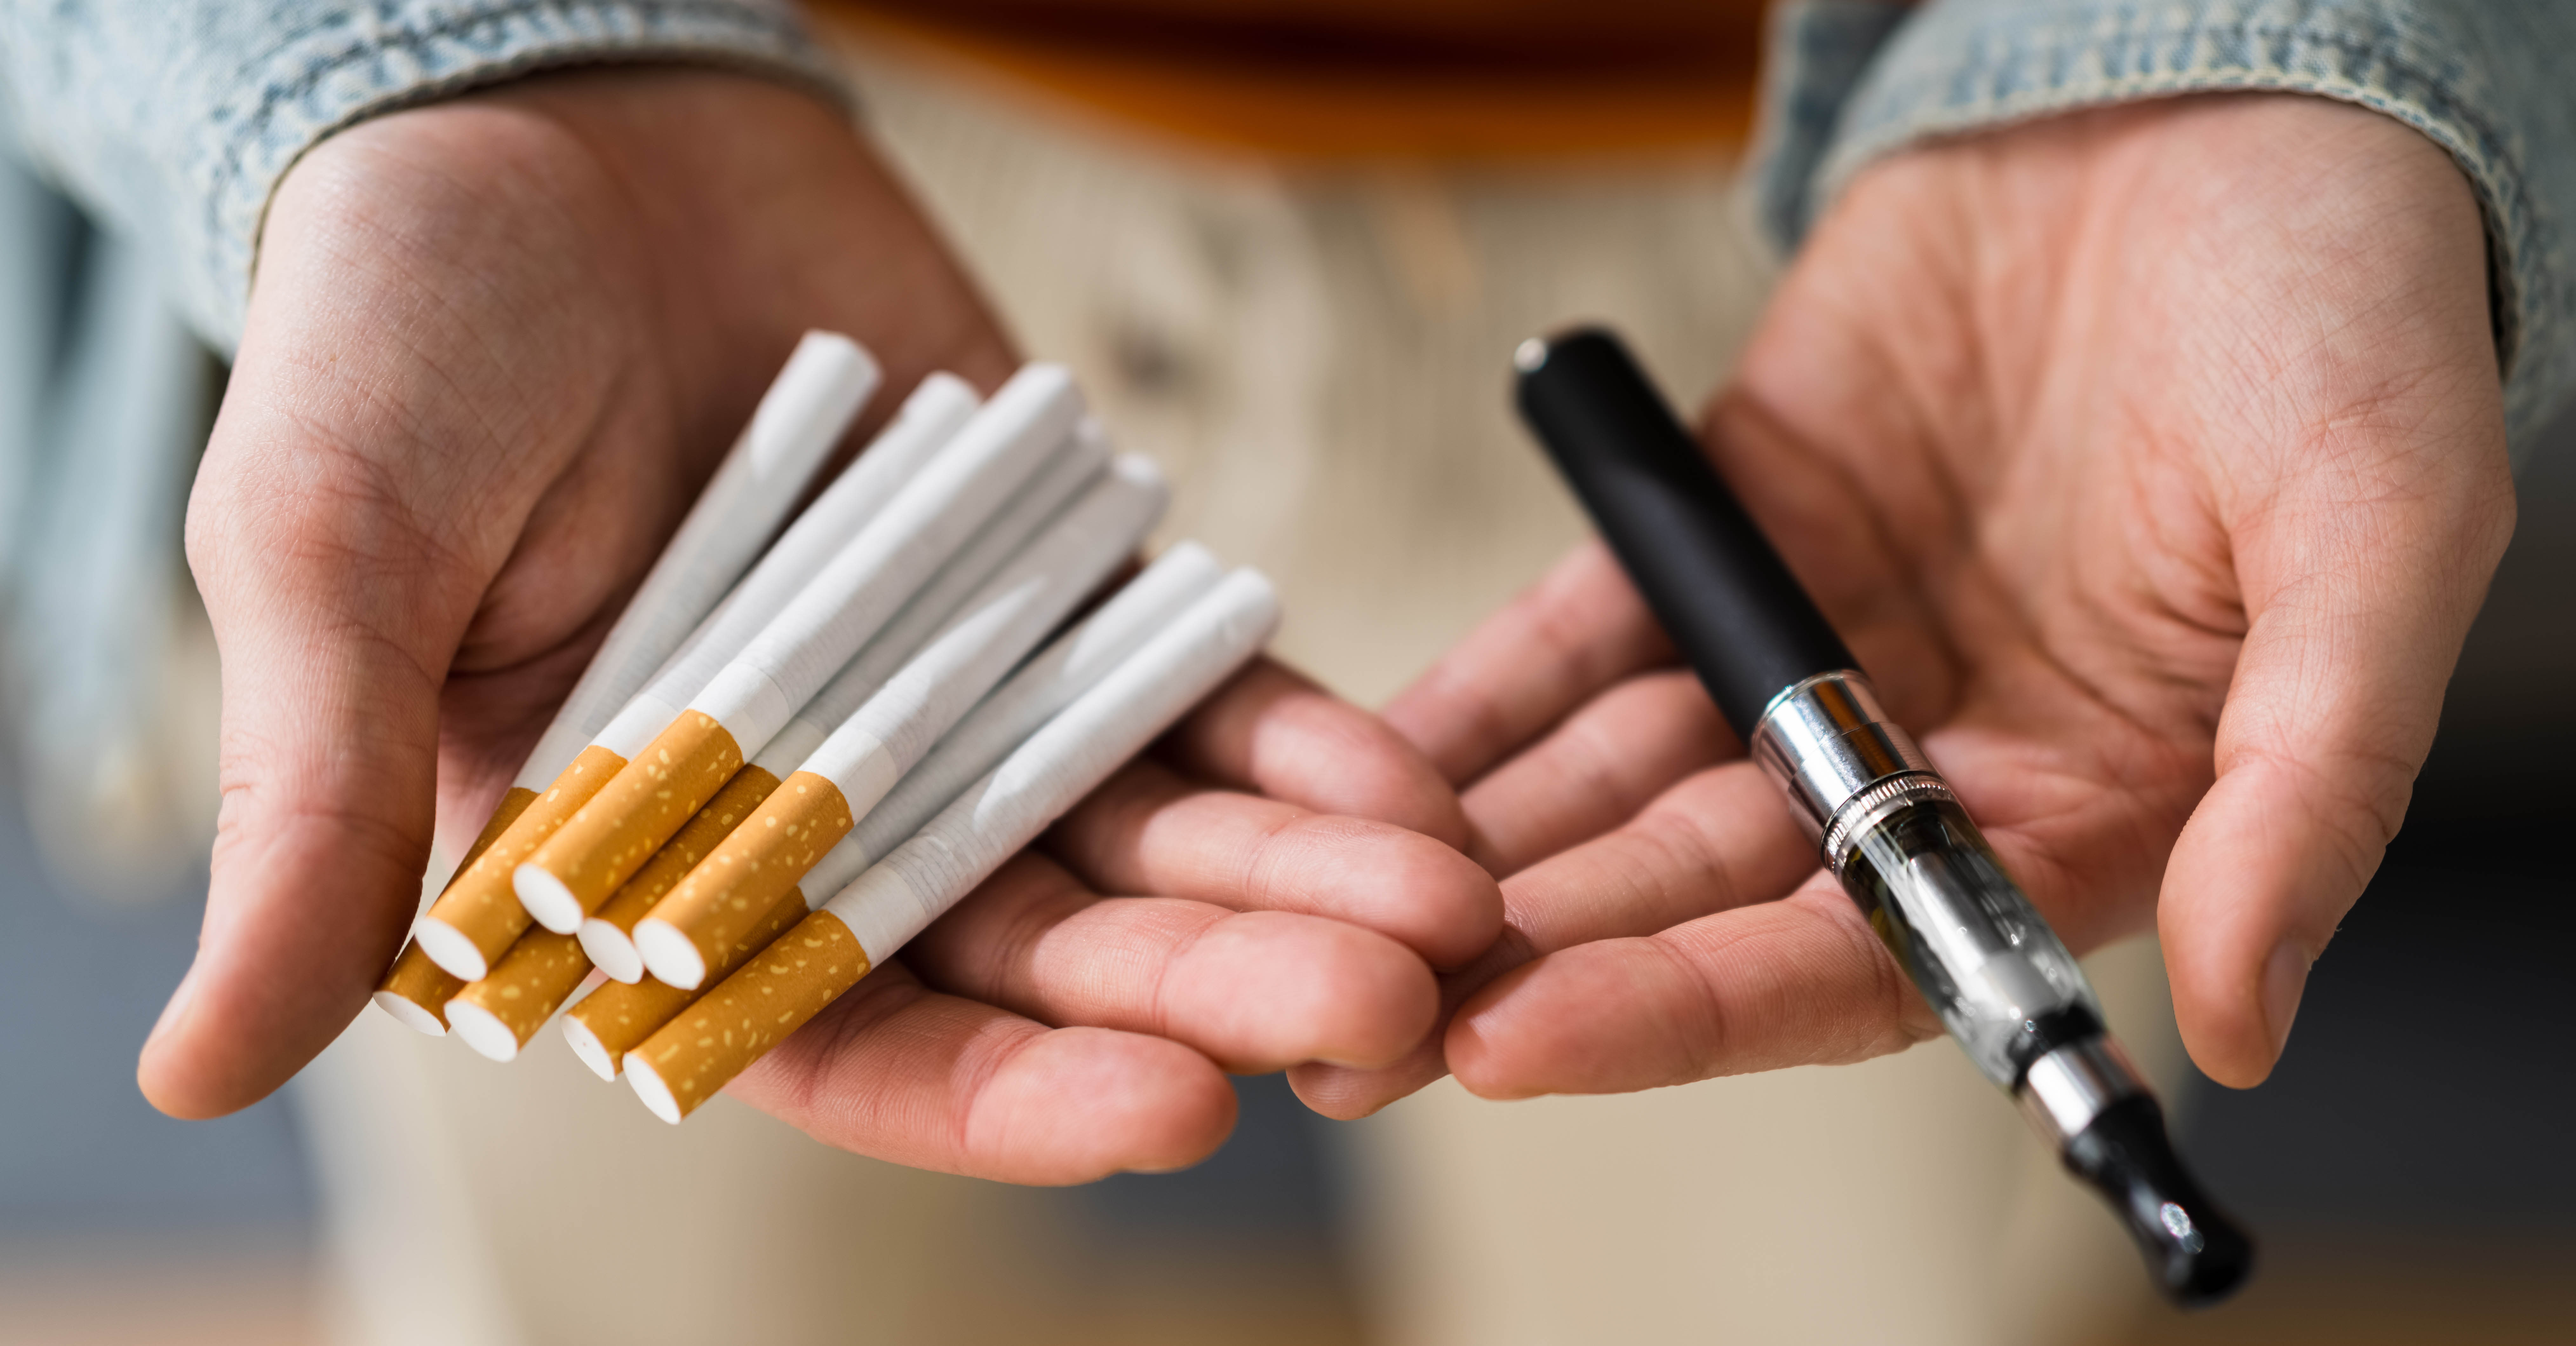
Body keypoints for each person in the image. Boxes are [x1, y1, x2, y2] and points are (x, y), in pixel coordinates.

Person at [5, 0, 2570, 1296]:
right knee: (636, 1273)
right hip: (660, 204)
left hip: (1858, 222)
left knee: (1807, 1283)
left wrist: (2296, 39)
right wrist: (377, 57)